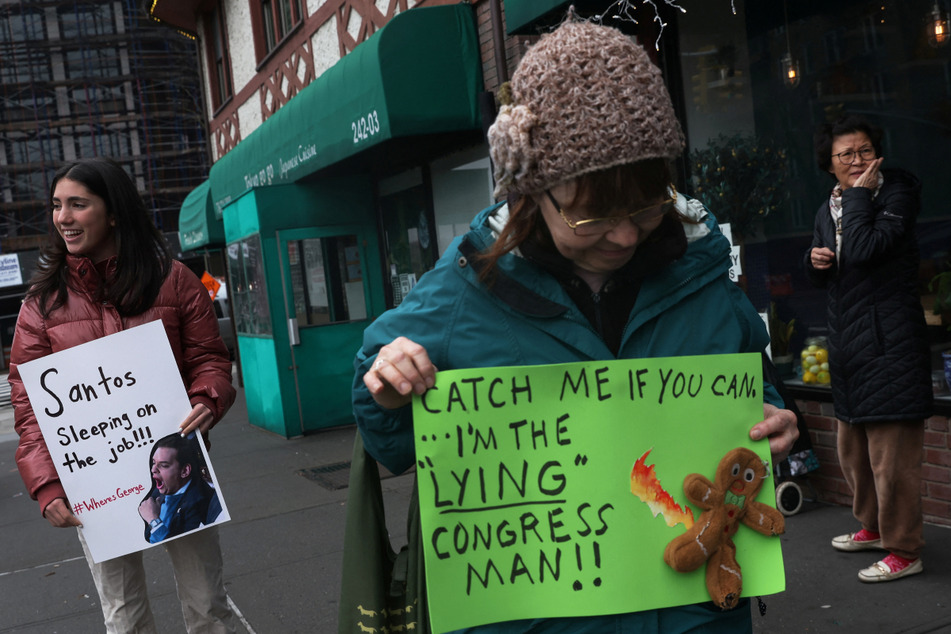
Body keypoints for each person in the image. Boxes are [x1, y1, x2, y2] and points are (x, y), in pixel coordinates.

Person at [351, 19, 798, 633]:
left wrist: (772, 426)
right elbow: (394, 445)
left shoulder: (702, 282)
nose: (623, 235)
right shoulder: (463, 290)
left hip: (697, 613)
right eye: (591, 217)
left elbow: (754, 392)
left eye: (644, 208)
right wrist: (386, 386)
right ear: (531, 193)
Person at [10, 157, 236, 632]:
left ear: (113, 212)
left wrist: (207, 398)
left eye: (78, 204)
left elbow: (209, 359)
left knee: (207, 605)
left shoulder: (173, 280)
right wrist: (45, 483)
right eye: (56, 206)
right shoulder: (41, 304)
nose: (63, 217)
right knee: (124, 617)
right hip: (93, 488)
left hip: (182, 474)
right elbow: (28, 405)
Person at [805, 114, 933, 583]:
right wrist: (814, 261)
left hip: (890, 344)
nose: (856, 161)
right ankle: (875, 528)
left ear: (877, 153)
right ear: (830, 163)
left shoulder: (894, 194)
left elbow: (863, 249)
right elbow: (833, 264)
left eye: (863, 151)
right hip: (849, 346)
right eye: (846, 154)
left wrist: (860, 193)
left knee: (892, 461)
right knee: (855, 453)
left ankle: (905, 548)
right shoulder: (829, 208)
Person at [138, 433, 223, 544]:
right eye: (154, 463)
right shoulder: (156, 494)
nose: (153, 469)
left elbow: (183, 548)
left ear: (184, 471)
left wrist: (153, 520)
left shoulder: (199, 503)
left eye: (163, 465)